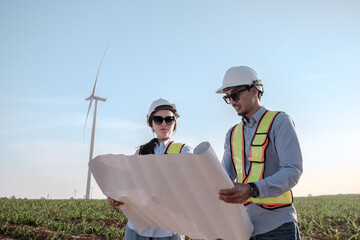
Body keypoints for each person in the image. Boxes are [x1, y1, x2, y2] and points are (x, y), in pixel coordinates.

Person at [216, 66, 303, 239]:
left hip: (278, 225)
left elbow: (293, 170)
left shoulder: (279, 122)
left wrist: (253, 189)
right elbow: (223, 177)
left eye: (235, 95)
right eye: (228, 97)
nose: (232, 101)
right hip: (244, 228)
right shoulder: (232, 133)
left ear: (254, 91)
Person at [107, 98, 192, 240]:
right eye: (158, 119)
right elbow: (129, 183)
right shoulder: (139, 152)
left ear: (174, 123)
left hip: (169, 230)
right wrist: (116, 195)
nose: (164, 123)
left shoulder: (184, 151)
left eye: (169, 119)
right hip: (137, 229)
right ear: (151, 123)